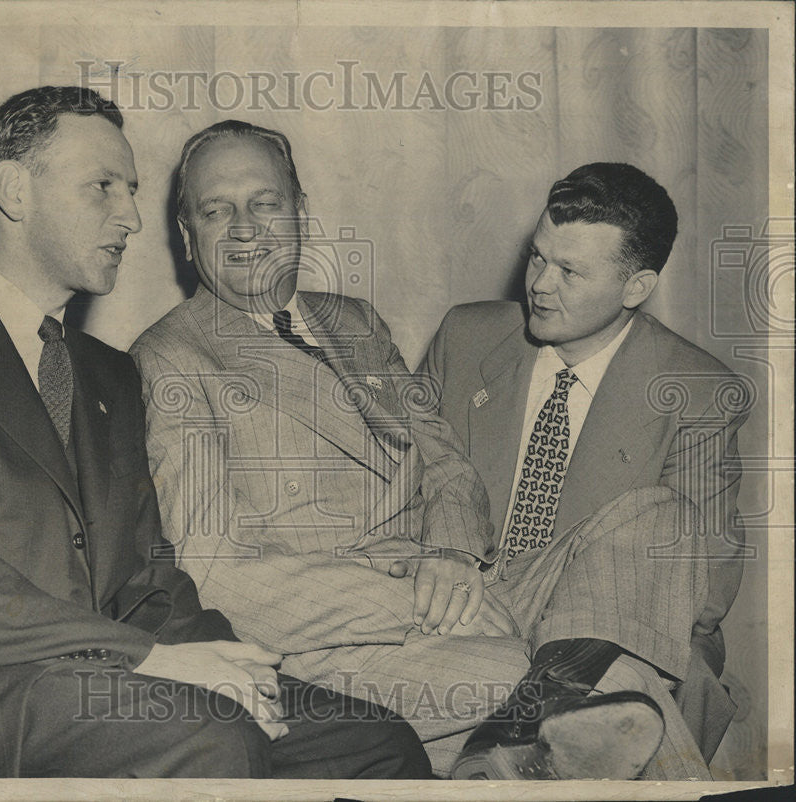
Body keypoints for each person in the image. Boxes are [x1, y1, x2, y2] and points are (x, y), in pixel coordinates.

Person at [0, 86, 430, 779]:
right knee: (213, 739)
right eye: (103, 187)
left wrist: (234, 661)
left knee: (375, 740)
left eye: (132, 190)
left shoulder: (107, 373)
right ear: (15, 190)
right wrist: (145, 657)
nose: (133, 217)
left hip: (103, 682)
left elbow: (149, 579)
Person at [131, 121, 711, 780]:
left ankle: (528, 717)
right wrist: (421, 602)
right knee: (610, 683)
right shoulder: (170, 360)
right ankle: (549, 703)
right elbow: (212, 574)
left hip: (462, 585)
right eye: (215, 210)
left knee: (661, 516)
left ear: (299, 212)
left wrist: (452, 555)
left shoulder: (353, 320)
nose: (243, 227)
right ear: (187, 235)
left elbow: (446, 463)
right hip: (343, 643)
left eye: (264, 203)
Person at [418, 162, 750, 765]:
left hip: (595, 631)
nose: (540, 285)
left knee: (659, 516)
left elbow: (703, 590)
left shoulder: (695, 390)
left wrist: (558, 627)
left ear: (636, 288)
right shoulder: (465, 336)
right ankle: (544, 732)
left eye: (570, 271)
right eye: (538, 257)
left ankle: (547, 706)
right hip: (460, 608)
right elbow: (405, 485)